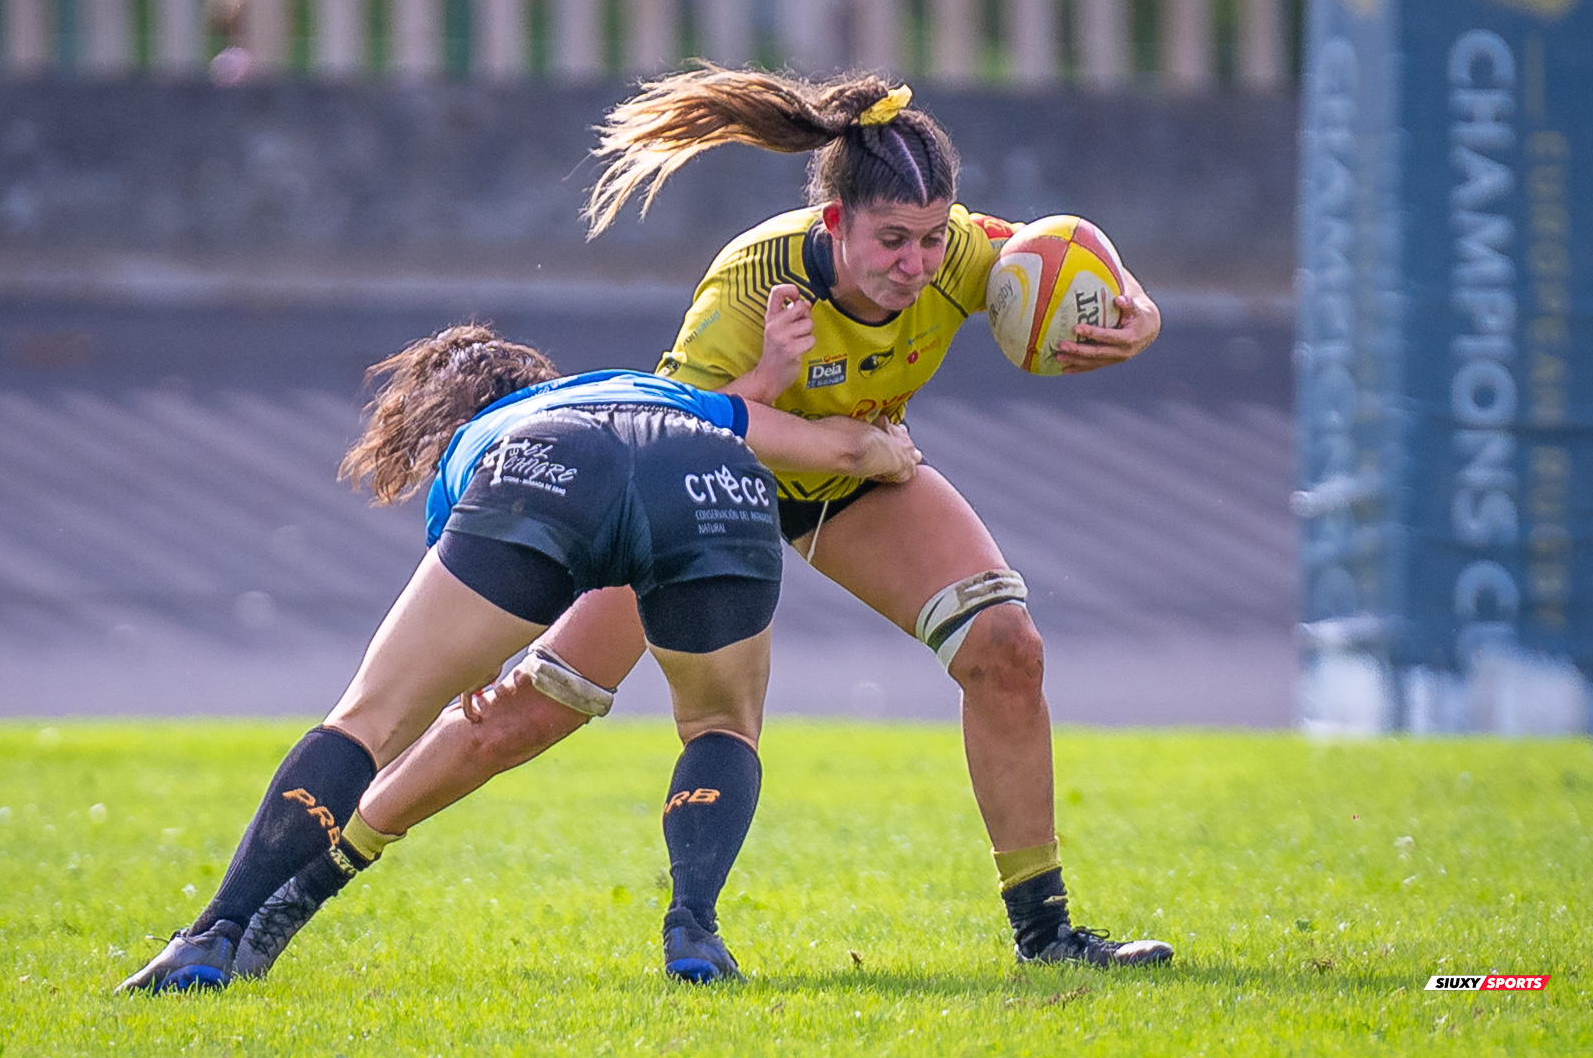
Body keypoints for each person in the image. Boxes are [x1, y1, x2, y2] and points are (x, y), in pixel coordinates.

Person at [238, 67, 1174, 978]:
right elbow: (683, 428)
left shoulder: (958, 252)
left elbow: (1061, 249)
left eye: (932, 239)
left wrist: (1141, 317)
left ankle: (1046, 933)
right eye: (893, 241)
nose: (917, 265)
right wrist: (790, 398)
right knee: (520, 714)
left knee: (1006, 648)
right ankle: (297, 891)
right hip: (702, 495)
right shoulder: (752, 279)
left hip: (857, 478)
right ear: (835, 223)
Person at [117, 323, 921, 992]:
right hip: (712, 473)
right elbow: (838, 451)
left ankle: (213, 934)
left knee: (367, 720)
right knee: (721, 725)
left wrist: (476, 672)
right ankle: (693, 930)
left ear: (448, 417)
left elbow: (468, 628)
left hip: (546, 467)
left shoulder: (487, 436)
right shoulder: (652, 391)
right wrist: (892, 454)